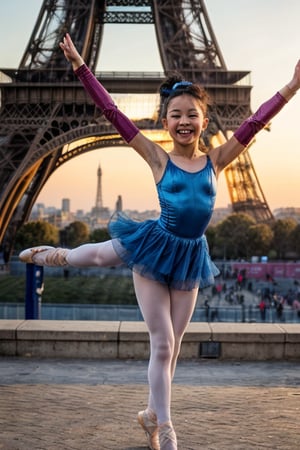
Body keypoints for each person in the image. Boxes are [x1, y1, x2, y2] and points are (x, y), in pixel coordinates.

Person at [19, 33, 300, 449]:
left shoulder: (217, 160)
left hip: (189, 255)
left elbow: (254, 122)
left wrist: (292, 86)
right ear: (164, 120)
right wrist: (79, 65)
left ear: (205, 120)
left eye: (192, 115)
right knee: (106, 267)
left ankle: (152, 414)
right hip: (156, 243)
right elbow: (112, 112)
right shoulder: (158, 158)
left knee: (171, 348)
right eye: (175, 115)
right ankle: (166, 428)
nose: (184, 121)